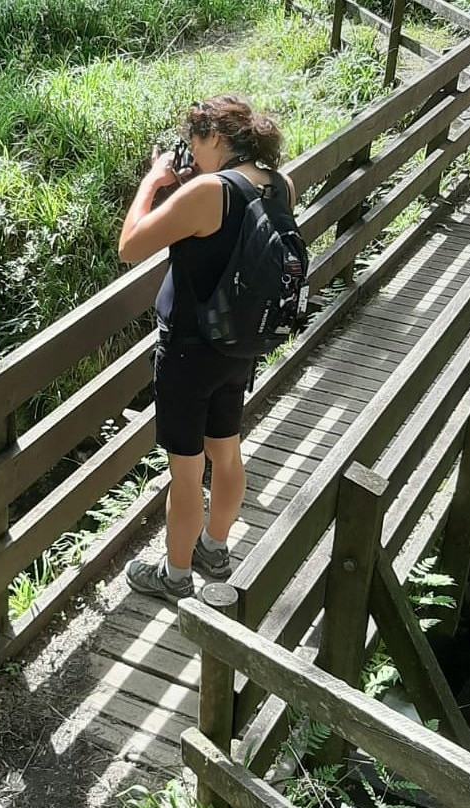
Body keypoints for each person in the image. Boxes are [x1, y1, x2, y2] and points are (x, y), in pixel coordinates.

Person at [118, 94, 296, 603]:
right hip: (241, 344)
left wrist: (155, 181)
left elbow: (130, 247)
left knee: (187, 470)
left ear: (215, 138)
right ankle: (214, 549)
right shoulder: (280, 185)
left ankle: (174, 578)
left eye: (194, 141)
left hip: (190, 350)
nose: (190, 153)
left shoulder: (207, 193)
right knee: (227, 448)